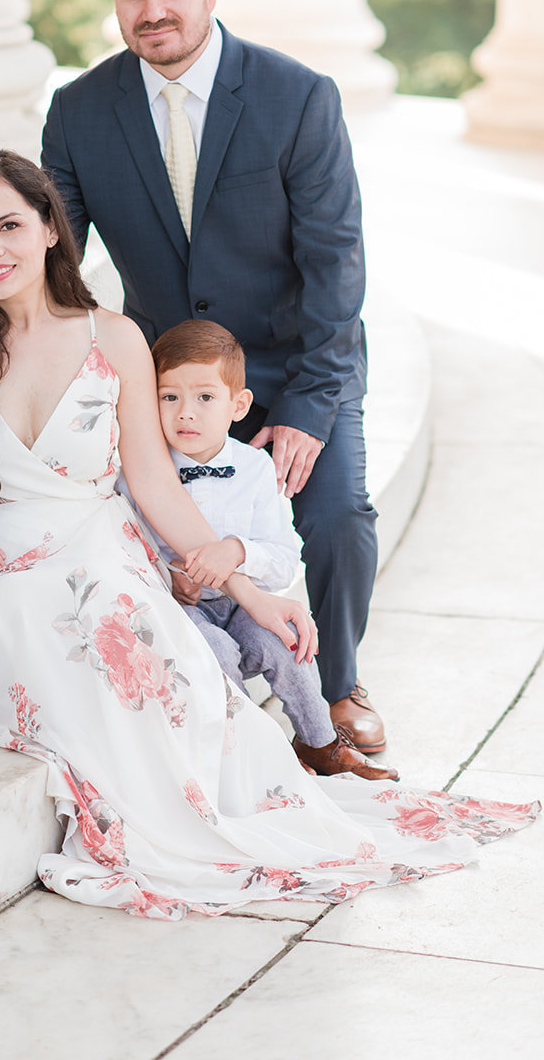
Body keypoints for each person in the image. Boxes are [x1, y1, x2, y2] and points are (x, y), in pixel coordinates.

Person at [0, 148, 537, 918]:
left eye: (10, 225)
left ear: (52, 227)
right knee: (33, 612)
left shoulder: (113, 338)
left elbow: (152, 483)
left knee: (117, 614)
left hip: (99, 540)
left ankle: (198, 801)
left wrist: (249, 589)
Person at [41, 0, 385, 754]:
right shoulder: (79, 112)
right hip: (167, 383)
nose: (152, 10)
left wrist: (308, 409)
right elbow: (54, 266)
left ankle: (337, 685)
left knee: (337, 518)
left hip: (296, 364)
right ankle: (209, 678)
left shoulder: (298, 98)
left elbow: (337, 268)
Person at [122, 318, 397, 781]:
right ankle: (248, 754)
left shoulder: (254, 469)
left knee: (285, 641)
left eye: (205, 397)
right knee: (213, 652)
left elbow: (285, 555)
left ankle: (318, 743)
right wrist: (165, 577)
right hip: (178, 610)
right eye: (169, 397)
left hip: (242, 604)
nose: (185, 413)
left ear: (238, 404)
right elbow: (122, 541)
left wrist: (238, 552)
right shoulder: (140, 471)